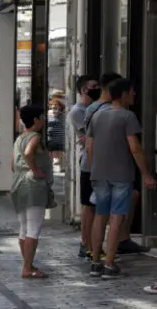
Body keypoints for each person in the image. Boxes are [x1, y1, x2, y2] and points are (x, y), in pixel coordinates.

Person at [86, 77, 156, 279]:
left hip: (99, 174)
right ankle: (109, 263)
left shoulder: (97, 116)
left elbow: (89, 147)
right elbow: (135, 147)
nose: (134, 95)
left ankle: (95, 261)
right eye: (132, 92)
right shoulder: (127, 117)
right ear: (124, 94)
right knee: (117, 217)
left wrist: (93, 170)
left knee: (100, 216)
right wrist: (146, 174)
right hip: (121, 174)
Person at [11, 105, 52, 279]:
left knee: (24, 228)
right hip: (33, 186)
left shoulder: (19, 138)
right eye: (42, 116)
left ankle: (28, 264)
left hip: (19, 184)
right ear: (35, 120)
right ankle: (27, 268)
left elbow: (12, 164)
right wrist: (35, 169)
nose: (44, 120)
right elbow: (28, 154)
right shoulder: (35, 136)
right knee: (33, 229)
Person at [67, 75, 100, 259]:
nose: (98, 88)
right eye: (94, 86)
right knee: (88, 205)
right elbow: (87, 137)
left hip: (97, 159)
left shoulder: (94, 108)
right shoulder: (78, 111)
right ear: (84, 90)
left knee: (94, 205)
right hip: (88, 160)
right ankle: (85, 243)